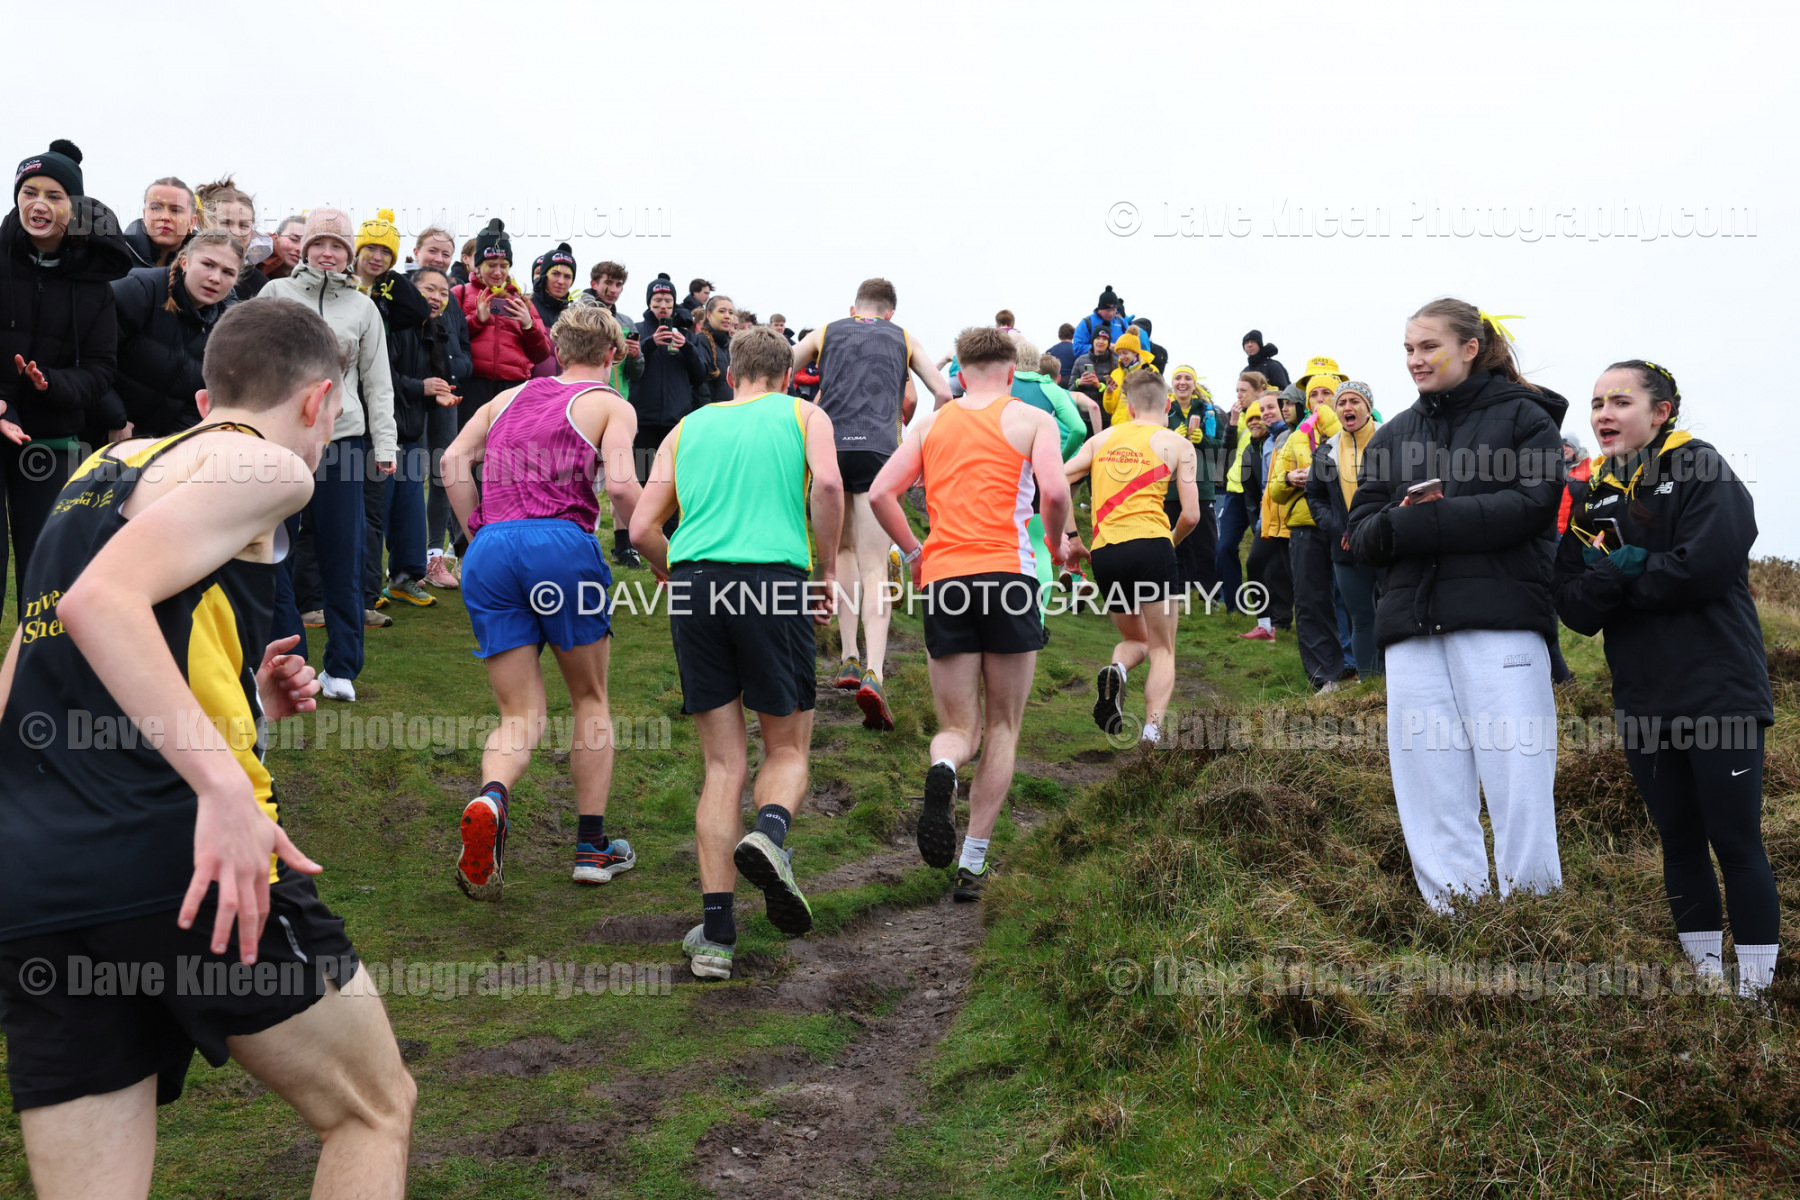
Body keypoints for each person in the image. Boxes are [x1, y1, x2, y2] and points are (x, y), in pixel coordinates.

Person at [0, 298, 415, 1197]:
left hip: (38, 878)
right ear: (318, 401)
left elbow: (35, 663)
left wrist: (243, 705)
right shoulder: (271, 464)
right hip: (183, 855)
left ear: (203, 400)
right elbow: (101, 604)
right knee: (371, 1110)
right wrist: (223, 783)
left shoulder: (102, 467)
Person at [1554, 360, 1778, 995]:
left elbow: (1704, 569)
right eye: (1596, 403)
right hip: (1643, 698)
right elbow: (1574, 607)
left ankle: (1755, 995)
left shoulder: (1701, 467)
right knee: (1678, 844)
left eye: (1620, 401)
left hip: (1719, 693)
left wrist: (1628, 574)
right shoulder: (1591, 494)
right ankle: (1707, 989)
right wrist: (1614, 575)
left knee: (1736, 843)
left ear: (1661, 412)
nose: (1603, 414)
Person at [629, 326, 843, 977]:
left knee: (723, 766)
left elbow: (639, 528)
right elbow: (829, 489)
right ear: (787, 376)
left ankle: (717, 938)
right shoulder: (804, 415)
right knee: (787, 749)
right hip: (774, 582)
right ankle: (770, 835)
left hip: (697, 585)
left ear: (728, 373)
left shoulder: (686, 427)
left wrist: (677, 570)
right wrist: (828, 572)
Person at [1347, 299, 1566, 913]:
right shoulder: (1392, 434)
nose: (1415, 360)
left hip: (1501, 625)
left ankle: (1534, 919)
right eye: (1408, 349)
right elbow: (1358, 535)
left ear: (1470, 348)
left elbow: (1534, 506)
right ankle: (1456, 917)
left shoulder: (1526, 417)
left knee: (1518, 778)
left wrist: (1431, 521)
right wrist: (1401, 521)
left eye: (1429, 347)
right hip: (1410, 631)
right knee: (1429, 783)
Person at [443, 304, 645, 901]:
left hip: (492, 547)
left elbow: (452, 462)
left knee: (518, 713)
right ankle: (591, 848)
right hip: (560, 542)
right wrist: (658, 549)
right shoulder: (609, 403)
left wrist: (475, 537)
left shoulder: (505, 399)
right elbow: (620, 486)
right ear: (611, 355)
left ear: (556, 349)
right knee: (590, 698)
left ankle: (491, 799)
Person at [868, 326, 1069, 902]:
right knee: (1003, 726)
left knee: (959, 729)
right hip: (1010, 578)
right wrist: (1057, 546)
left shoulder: (931, 424)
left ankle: (944, 768)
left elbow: (881, 493)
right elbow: (1056, 495)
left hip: (947, 578)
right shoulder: (1033, 420)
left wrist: (915, 553)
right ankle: (973, 862)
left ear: (958, 373)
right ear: (1009, 373)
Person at [791, 277, 953, 731]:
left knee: (842, 553)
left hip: (829, 447)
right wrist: (922, 449)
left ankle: (847, 656)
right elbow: (943, 393)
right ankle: (874, 673)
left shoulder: (827, 330)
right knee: (875, 565)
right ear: (890, 312)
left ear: (853, 307)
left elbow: (779, 366)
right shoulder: (903, 336)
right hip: (880, 450)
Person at [260, 208, 398, 702]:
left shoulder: (364, 308)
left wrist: (385, 443)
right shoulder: (275, 293)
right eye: (319, 243)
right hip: (280, 442)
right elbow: (249, 363)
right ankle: (291, 661)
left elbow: (377, 382)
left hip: (342, 444)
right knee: (275, 552)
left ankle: (342, 667)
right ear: (304, 249)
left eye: (337, 246)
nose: (327, 253)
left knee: (344, 553)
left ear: (348, 254)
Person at [1, 140, 133, 618]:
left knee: (46, 569)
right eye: (29, 192)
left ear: (73, 207)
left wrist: (50, 384)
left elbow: (100, 370)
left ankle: (33, 663)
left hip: (50, 441)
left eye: (54, 196)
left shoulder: (96, 286)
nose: (39, 205)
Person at [1063, 369, 1199, 745]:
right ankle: (1151, 733)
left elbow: (1057, 481)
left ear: (1130, 407)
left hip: (1107, 552)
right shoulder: (1179, 444)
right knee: (1162, 648)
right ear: (1168, 404)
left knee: (1134, 639)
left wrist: (1072, 537)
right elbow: (1191, 516)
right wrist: (1169, 543)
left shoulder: (1101, 439)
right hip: (1153, 546)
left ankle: (1119, 670)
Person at [106, 228, 244, 438]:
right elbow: (89, 359)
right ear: (185, 262)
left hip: (159, 440)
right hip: (100, 426)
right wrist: (115, 419)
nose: (215, 278)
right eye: (208, 265)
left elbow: (200, 398)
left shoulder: (228, 327)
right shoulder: (138, 290)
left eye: (228, 272)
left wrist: (172, 443)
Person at [614, 274, 705, 570]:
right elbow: (627, 367)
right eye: (657, 301)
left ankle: (670, 541)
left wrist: (687, 347)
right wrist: (650, 344)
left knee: (672, 484)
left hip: (676, 422)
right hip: (644, 419)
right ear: (649, 303)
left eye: (668, 300)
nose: (663, 306)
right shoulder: (638, 331)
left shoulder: (687, 335)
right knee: (641, 482)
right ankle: (631, 542)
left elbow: (701, 375)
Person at [391, 266, 470, 598]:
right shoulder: (395, 322)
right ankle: (396, 567)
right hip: (402, 413)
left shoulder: (443, 321)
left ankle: (431, 557)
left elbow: (463, 358)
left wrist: (443, 384)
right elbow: (387, 375)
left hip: (438, 404)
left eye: (443, 292)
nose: (437, 297)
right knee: (404, 483)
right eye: (429, 289)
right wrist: (422, 387)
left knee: (441, 475)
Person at [1267, 376, 1348, 690]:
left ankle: (1359, 667)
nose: (1320, 399)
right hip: (1305, 525)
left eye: (1327, 393)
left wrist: (1332, 427)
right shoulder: (1295, 438)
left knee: (1350, 598)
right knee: (1311, 601)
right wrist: (1290, 478)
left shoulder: (1351, 432)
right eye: (1314, 394)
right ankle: (1324, 676)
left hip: (1344, 525)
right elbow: (1275, 491)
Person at [1305, 381, 1382, 679]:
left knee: (1394, 613)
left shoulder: (1389, 439)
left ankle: (1398, 682)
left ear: (1368, 407)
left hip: (1387, 541)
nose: (1348, 407)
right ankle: (1369, 684)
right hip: (1345, 546)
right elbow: (1315, 496)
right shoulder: (1325, 451)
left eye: (1355, 401)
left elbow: (1399, 489)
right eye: (1342, 403)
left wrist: (1376, 527)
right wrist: (1339, 529)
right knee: (1361, 618)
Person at [454, 220, 550, 437]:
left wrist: (528, 324)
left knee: (507, 451)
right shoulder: (460, 293)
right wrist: (477, 320)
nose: (498, 272)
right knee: (471, 449)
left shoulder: (522, 301)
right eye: (491, 265)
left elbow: (542, 353)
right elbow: (449, 341)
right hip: (473, 386)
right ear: (478, 265)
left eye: (504, 265)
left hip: (513, 388)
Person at [1214, 371, 1267, 612]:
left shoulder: (1268, 414)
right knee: (1224, 547)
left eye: (1243, 390)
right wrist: (1232, 424)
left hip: (1260, 495)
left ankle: (1267, 608)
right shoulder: (1239, 417)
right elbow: (1225, 454)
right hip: (1235, 491)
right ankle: (1234, 606)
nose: (1239, 395)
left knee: (1261, 555)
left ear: (1259, 391)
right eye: (1237, 390)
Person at [1165, 366, 1220, 596]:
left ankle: (1210, 592)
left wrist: (1203, 440)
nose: (1182, 382)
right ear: (1172, 383)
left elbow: (1219, 448)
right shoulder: (1165, 410)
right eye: (1178, 377)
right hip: (1170, 487)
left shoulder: (1208, 412)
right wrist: (1172, 439)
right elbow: (1152, 445)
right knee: (1175, 540)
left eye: (1188, 378)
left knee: (1205, 542)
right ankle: (1178, 590)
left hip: (1201, 485)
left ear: (1194, 383)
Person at [578, 260, 644, 400]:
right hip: (586, 398)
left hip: (619, 400)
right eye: (608, 283)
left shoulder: (627, 323)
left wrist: (635, 356)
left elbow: (635, 374)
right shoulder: (579, 315)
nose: (613, 290)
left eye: (618, 284)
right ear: (594, 284)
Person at [528, 242, 579, 376]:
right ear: (544, 275)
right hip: (530, 387)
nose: (561, 281)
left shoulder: (574, 318)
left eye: (567, 276)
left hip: (564, 388)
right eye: (555, 274)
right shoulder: (525, 307)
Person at [123, 177, 196, 269]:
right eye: (156, 208)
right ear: (145, 215)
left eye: (176, 210)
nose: (165, 217)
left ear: (192, 222)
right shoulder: (115, 257)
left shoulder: (207, 265)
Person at [692, 294, 738, 407]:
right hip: (712, 411)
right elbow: (701, 385)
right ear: (709, 315)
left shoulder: (731, 346)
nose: (727, 316)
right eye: (722, 311)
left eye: (731, 313)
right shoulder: (701, 341)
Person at [1071, 285, 1133, 357]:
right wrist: (1104, 347)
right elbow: (1077, 349)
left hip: (1118, 363)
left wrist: (1119, 348)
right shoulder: (1086, 323)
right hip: (1094, 363)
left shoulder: (1122, 323)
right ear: (1100, 309)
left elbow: (1132, 345)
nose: (1111, 313)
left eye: (1114, 310)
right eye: (1108, 310)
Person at [1047, 322, 1078, 387]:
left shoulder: (1050, 351)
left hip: (1055, 382)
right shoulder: (1077, 350)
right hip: (1072, 383)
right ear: (1073, 335)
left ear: (1059, 335)